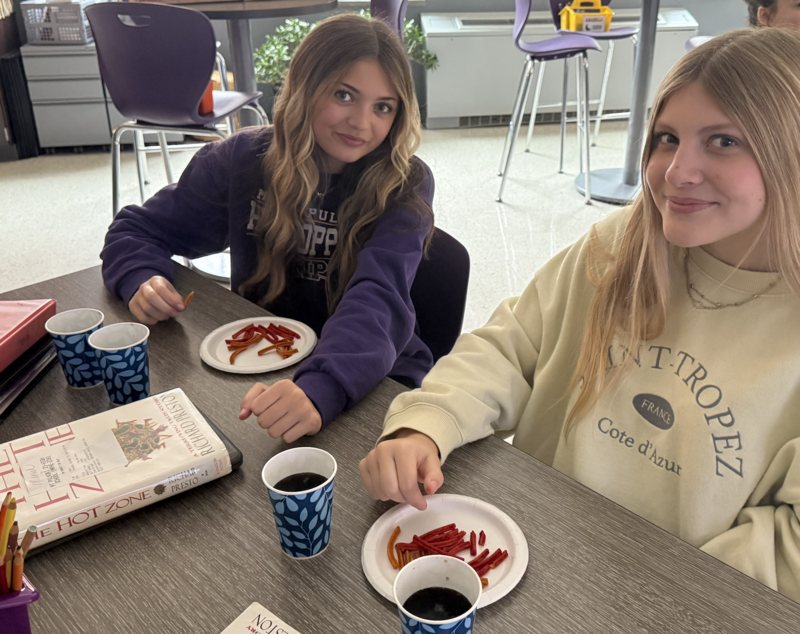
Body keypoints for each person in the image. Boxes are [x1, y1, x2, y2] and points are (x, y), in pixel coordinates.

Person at [360, 27, 800, 601]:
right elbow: (510, 347)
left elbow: (787, 545)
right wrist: (428, 422)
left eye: (722, 142)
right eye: (666, 138)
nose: (675, 172)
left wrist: (665, 593)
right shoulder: (622, 244)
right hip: (531, 551)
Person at [101, 14, 435, 443]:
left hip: (368, 371)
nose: (361, 122)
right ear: (304, 87)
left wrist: (321, 387)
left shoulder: (404, 183)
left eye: (383, 107)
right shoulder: (241, 160)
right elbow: (137, 230)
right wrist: (139, 277)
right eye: (343, 95)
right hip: (259, 362)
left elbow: (378, 299)